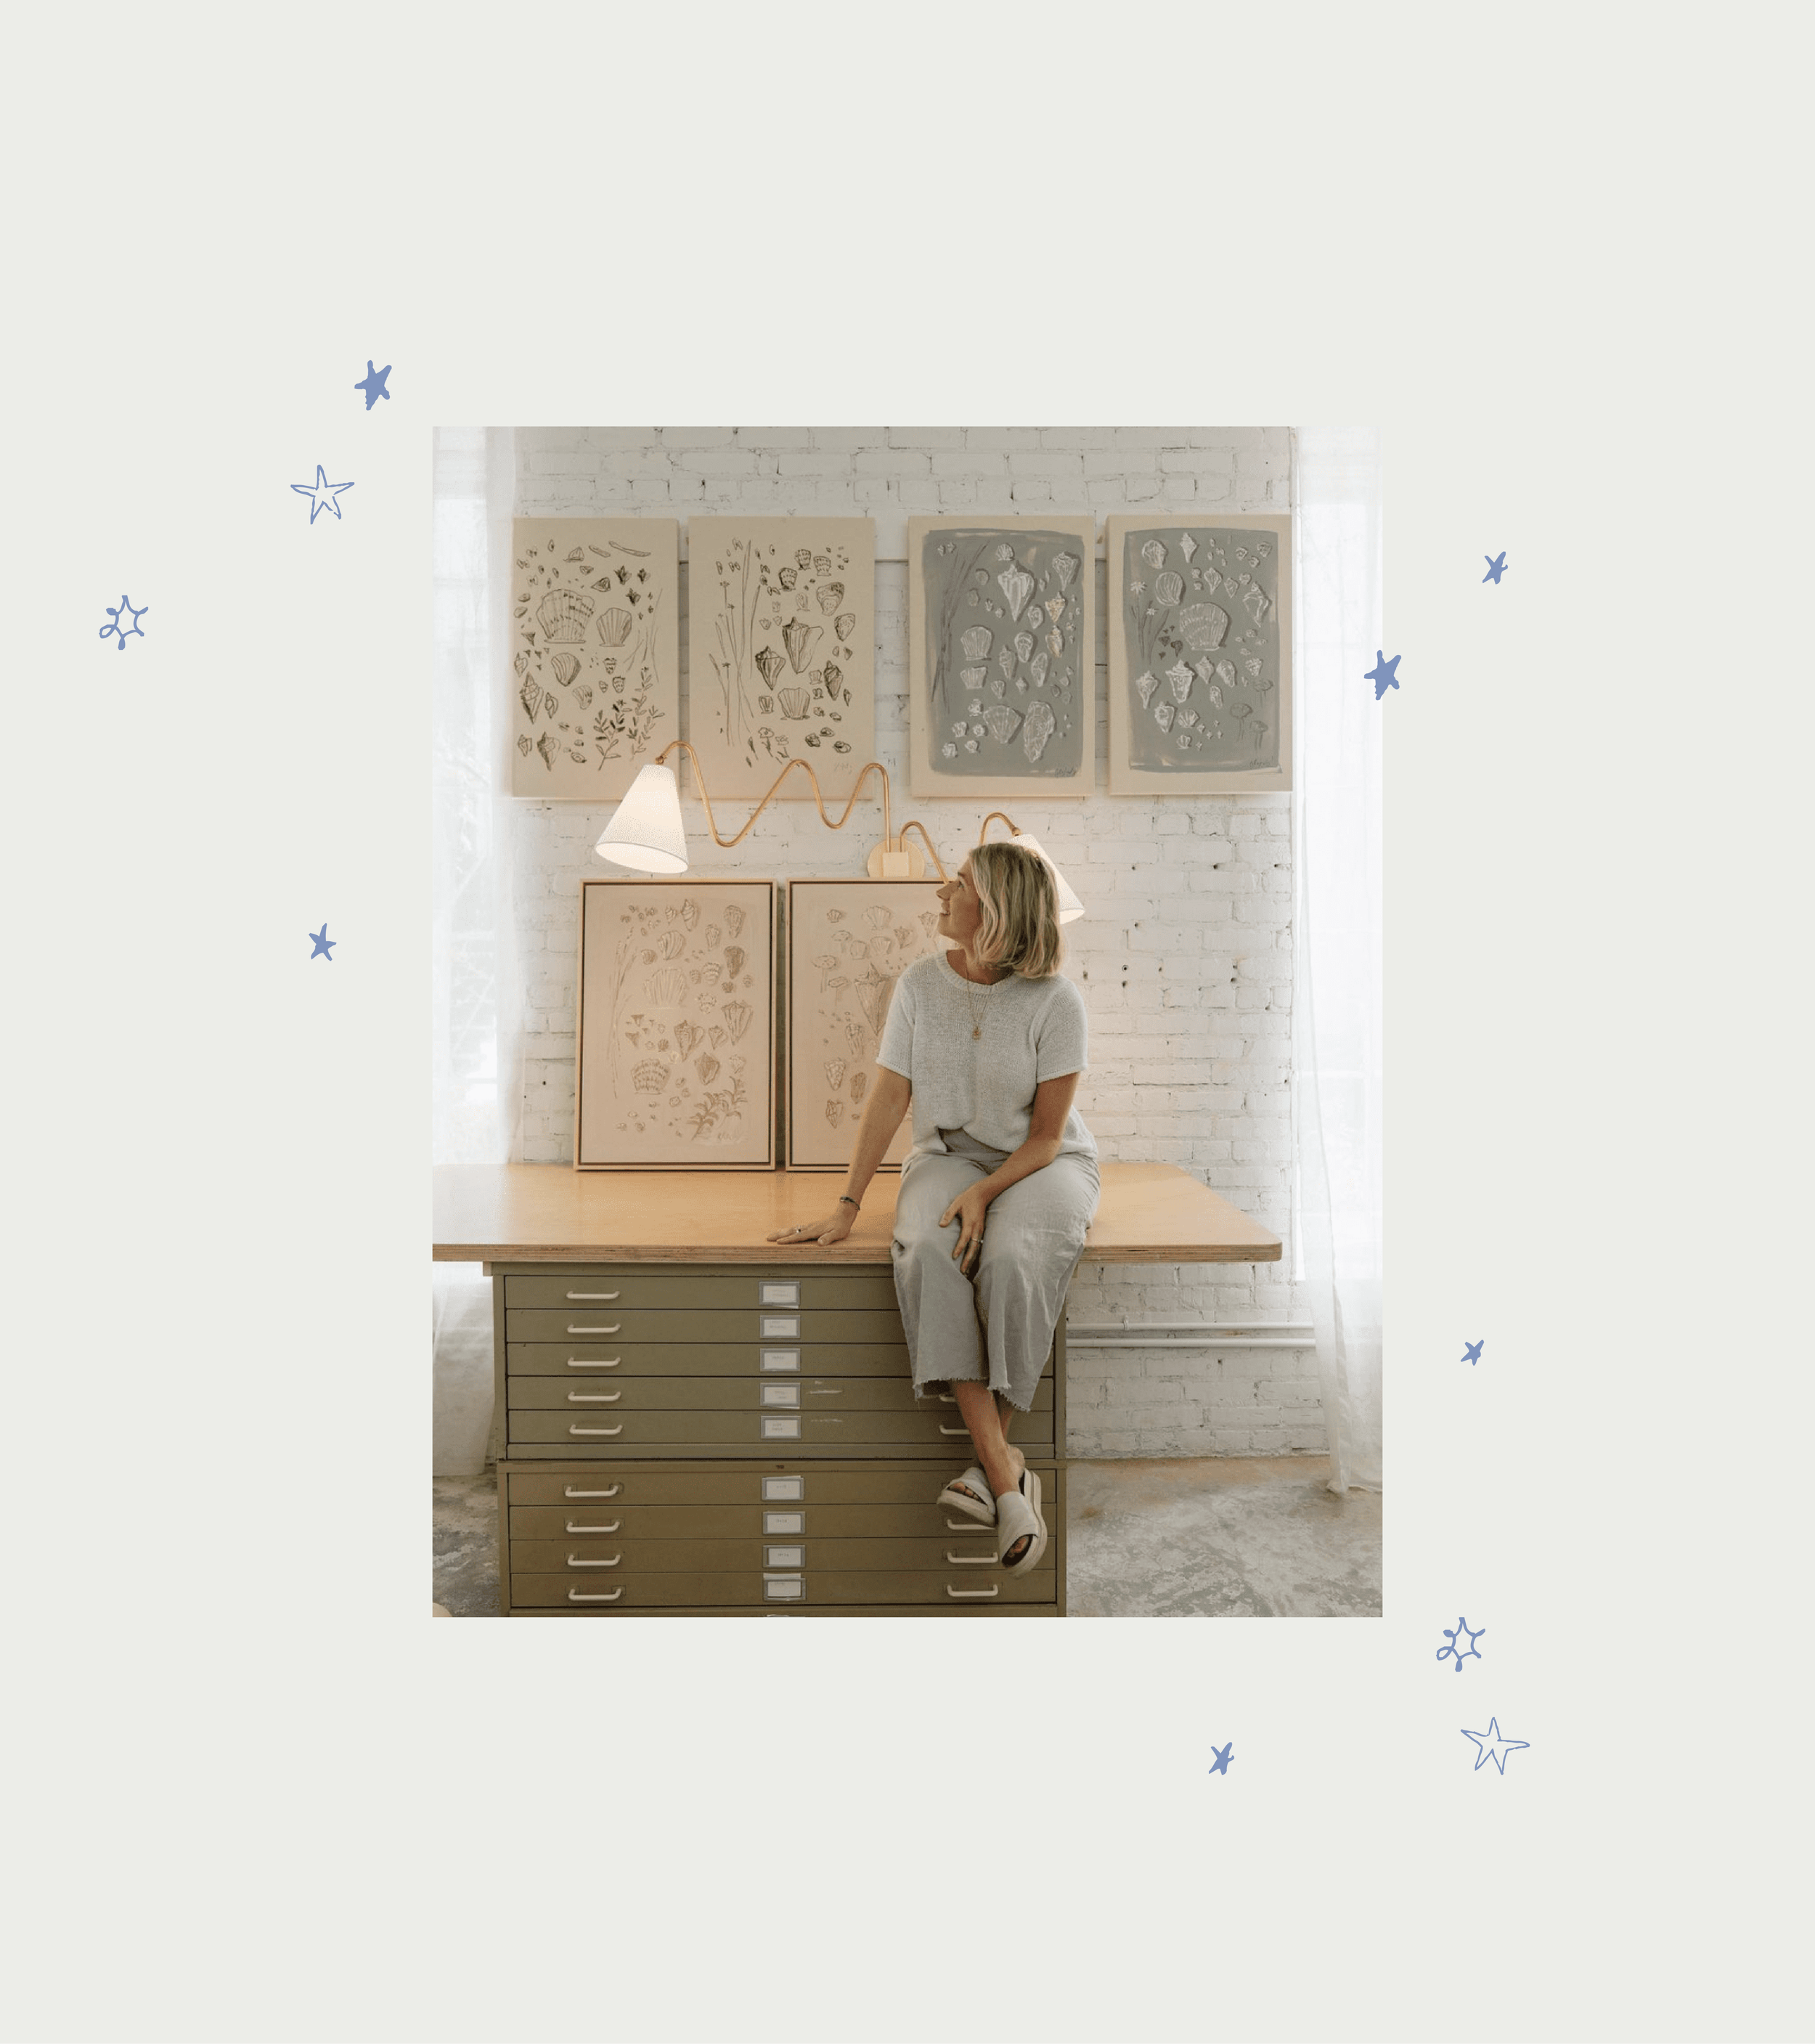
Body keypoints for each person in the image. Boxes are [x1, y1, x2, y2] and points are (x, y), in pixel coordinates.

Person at [767, 841, 1099, 1572]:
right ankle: (1004, 1468)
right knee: (926, 1246)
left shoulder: (1056, 1000)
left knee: (1014, 1255)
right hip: (945, 1157)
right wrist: (848, 1205)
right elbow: (890, 1097)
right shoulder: (920, 983)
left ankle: (990, 1476)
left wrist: (984, 1192)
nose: (940, 894)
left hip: (1040, 1163)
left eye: (957, 884)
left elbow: (1045, 1137)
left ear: (996, 908)